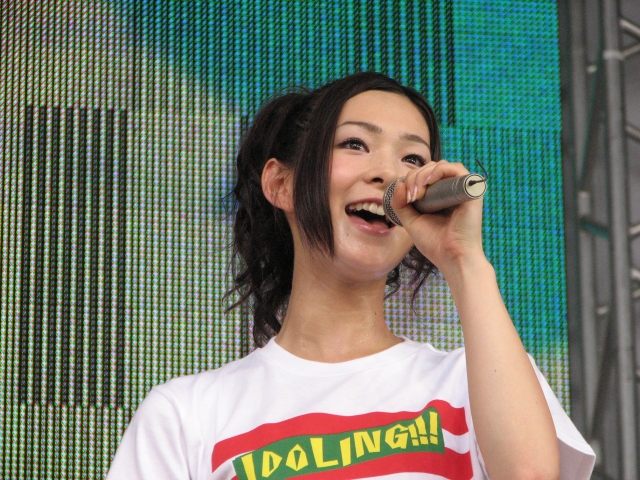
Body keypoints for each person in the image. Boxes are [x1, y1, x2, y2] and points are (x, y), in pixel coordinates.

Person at [107, 72, 595, 479]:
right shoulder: (188, 415)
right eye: (355, 144)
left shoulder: (477, 380)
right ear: (281, 183)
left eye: (412, 159)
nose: (386, 173)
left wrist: (463, 259)